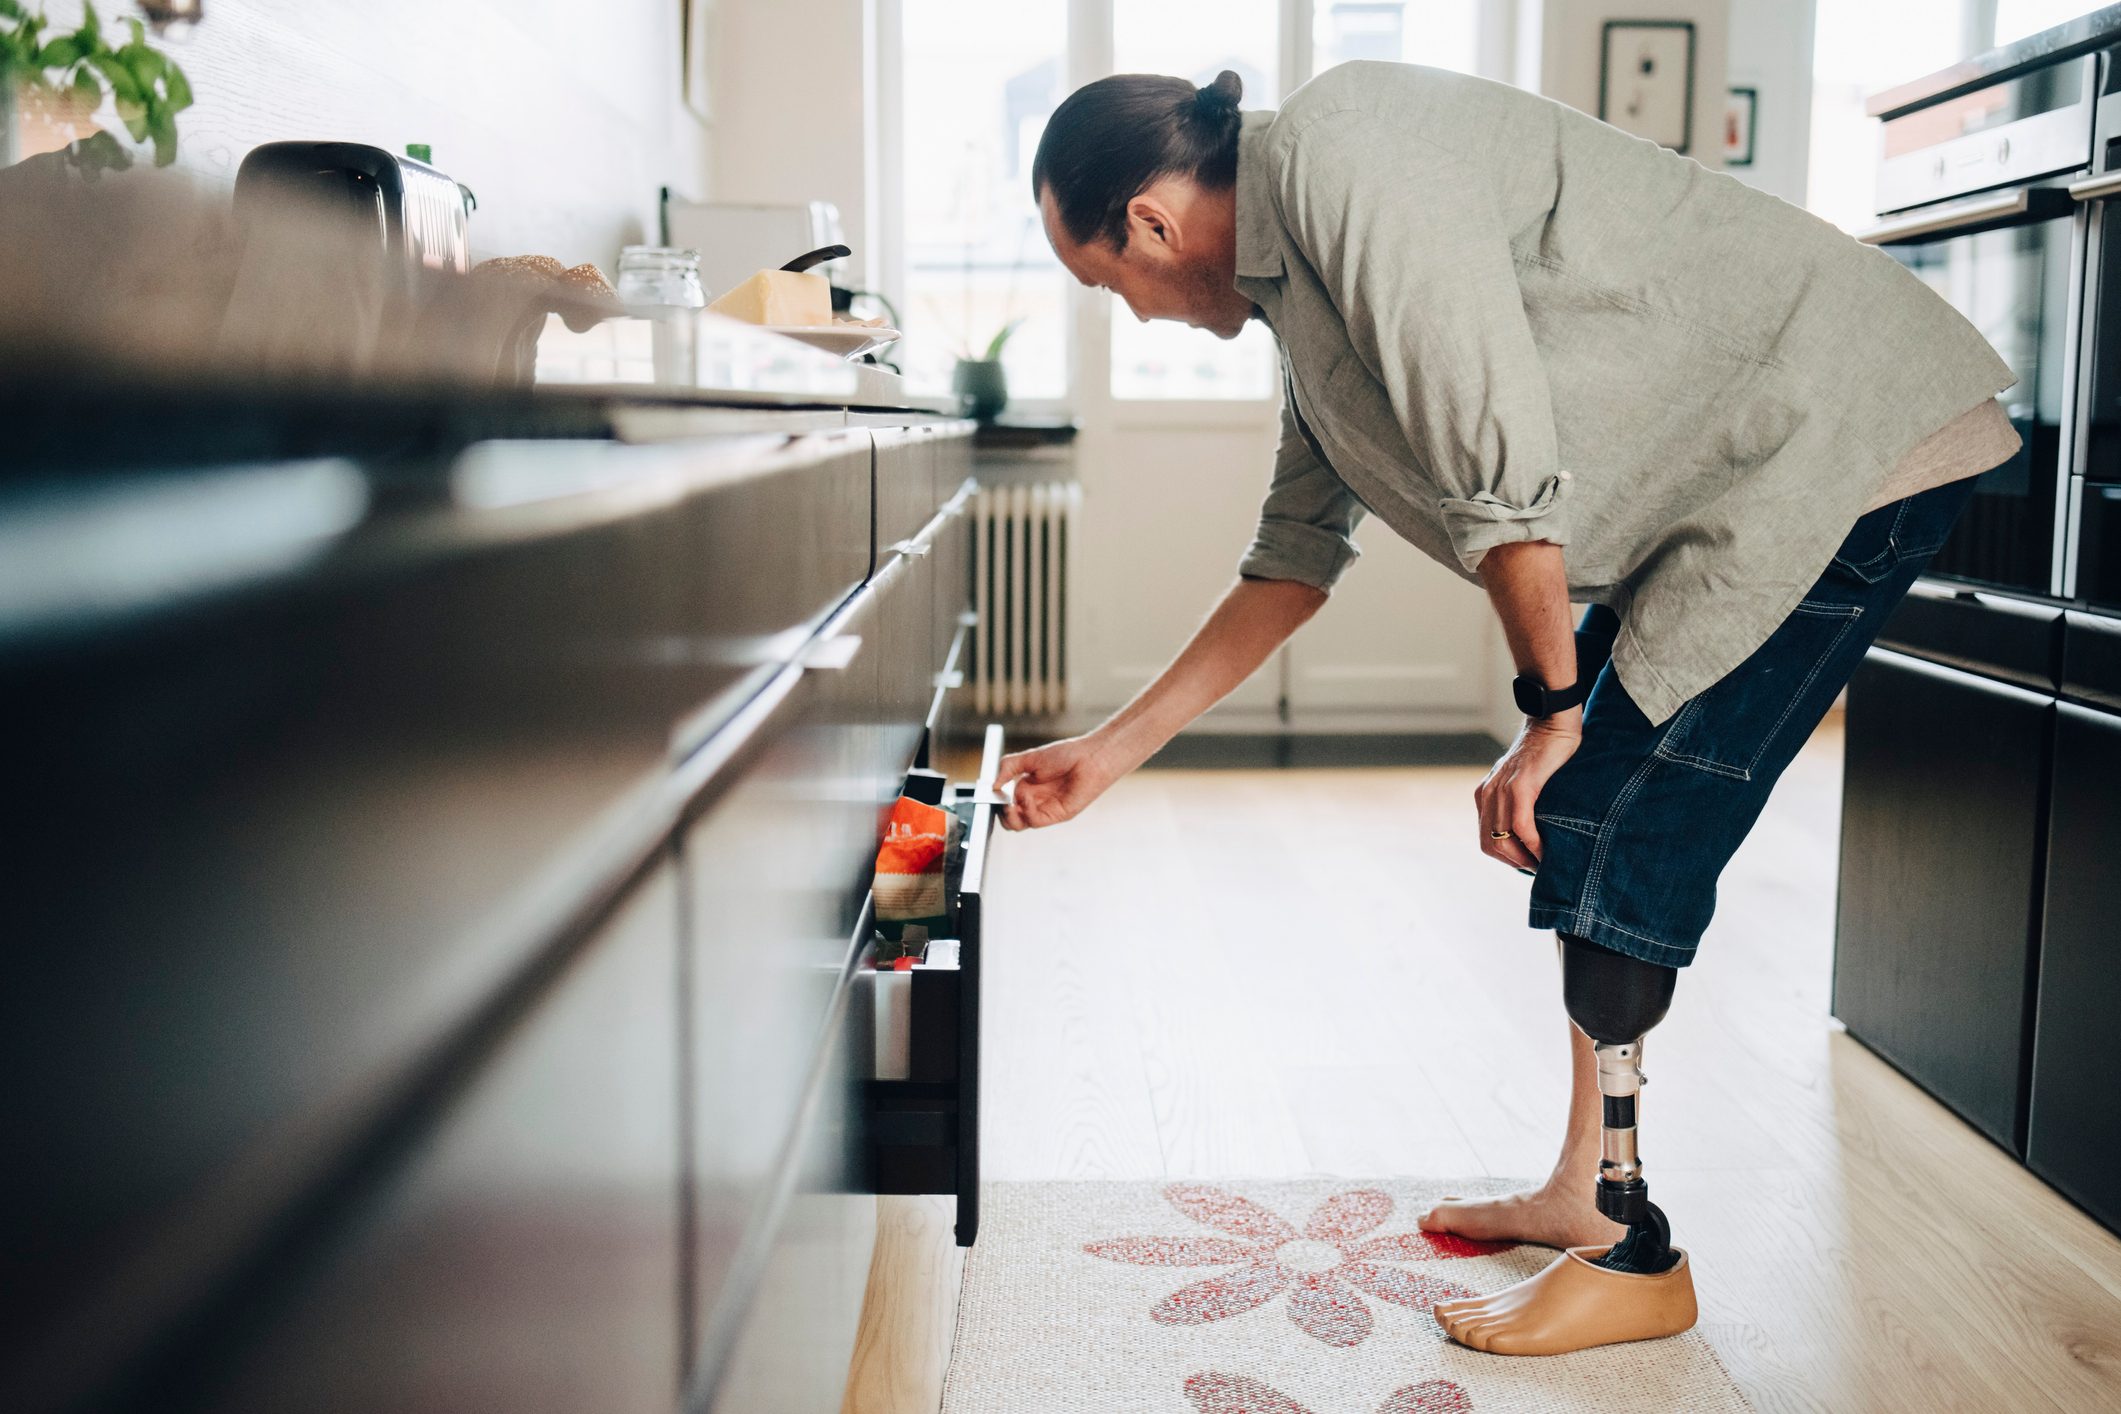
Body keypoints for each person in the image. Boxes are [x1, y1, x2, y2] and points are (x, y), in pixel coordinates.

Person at [996, 60, 2021, 1356]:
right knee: (1589, 803)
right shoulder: (1299, 296)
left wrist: (1551, 712)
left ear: (1146, 220)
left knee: (1608, 813)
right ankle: (1584, 1194)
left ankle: (1639, 1251)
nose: (1131, 315)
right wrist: (1109, 752)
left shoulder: (1335, 145)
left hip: (1839, 448)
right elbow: (1293, 556)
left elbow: (1495, 456)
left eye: (1107, 286)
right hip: (1740, 490)